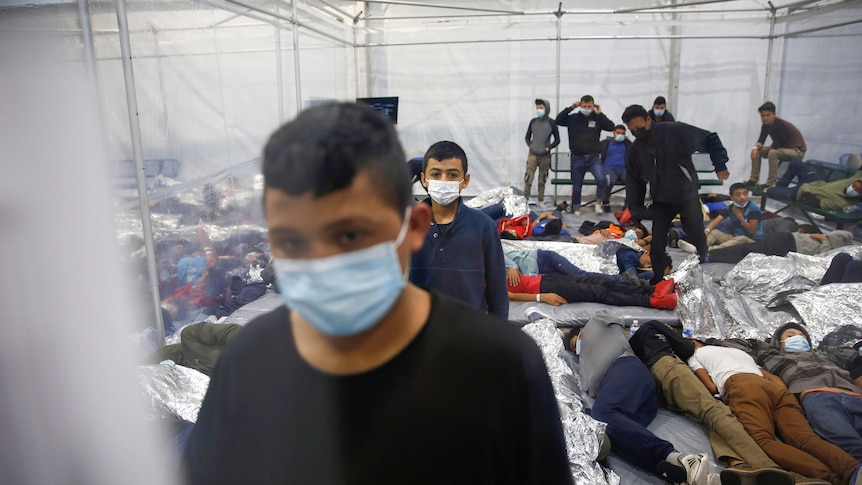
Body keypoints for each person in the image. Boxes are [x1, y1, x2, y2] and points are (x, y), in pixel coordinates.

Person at [184, 102, 573, 484]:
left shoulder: (501, 366)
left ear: (414, 228)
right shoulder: (251, 360)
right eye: (293, 240)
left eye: (350, 235)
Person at [629, 321, 800, 485]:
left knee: (711, 416)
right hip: (668, 367)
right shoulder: (654, 326)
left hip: (657, 381)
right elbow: (687, 348)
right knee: (717, 412)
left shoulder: (638, 343)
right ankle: (771, 469)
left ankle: (739, 466)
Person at [689, 339, 862, 485]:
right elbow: (774, 378)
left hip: (743, 386)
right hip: (777, 390)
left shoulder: (695, 355)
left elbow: (710, 387)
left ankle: (831, 479)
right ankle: (853, 469)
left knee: (763, 441)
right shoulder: (738, 352)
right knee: (805, 439)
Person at [566, 312, 709, 484]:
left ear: (581, 331)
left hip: (625, 368)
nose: (578, 349)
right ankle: (682, 472)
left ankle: (674, 456)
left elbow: (612, 317)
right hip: (634, 401)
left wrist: (589, 330)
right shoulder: (585, 364)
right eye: (574, 349)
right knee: (610, 434)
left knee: (602, 413)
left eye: (576, 342)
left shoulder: (599, 325)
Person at [621, 104, 731, 282]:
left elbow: (710, 138)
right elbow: (634, 182)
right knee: (657, 244)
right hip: (661, 200)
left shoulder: (674, 131)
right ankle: (657, 280)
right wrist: (637, 211)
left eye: (639, 128)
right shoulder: (636, 150)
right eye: (632, 131)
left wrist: (720, 164)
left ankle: (703, 258)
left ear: (649, 120)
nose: (637, 133)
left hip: (685, 194)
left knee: (694, 230)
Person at [410, 140, 509, 319]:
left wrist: (497, 340)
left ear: (465, 181)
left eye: (452, 175)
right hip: (418, 334)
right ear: (424, 179)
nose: (443, 181)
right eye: (436, 174)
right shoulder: (407, 225)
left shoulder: (484, 227)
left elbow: (498, 293)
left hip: (468, 334)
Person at [758, 323, 862, 461]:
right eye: (790, 335)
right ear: (779, 342)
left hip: (855, 397)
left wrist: (822, 348)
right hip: (819, 398)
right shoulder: (773, 357)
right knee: (851, 446)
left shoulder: (825, 355)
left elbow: (850, 353)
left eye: (802, 336)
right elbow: (744, 348)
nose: (798, 338)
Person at [556, 94, 615, 214]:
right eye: (584, 106)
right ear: (580, 105)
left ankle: (598, 203)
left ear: (593, 106)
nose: (587, 108)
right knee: (577, 185)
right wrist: (571, 107)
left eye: (589, 106)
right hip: (577, 157)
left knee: (601, 179)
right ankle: (576, 207)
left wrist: (600, 114)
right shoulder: (572, 118)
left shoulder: (597, 118)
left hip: (593, 157)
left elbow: (611, 127)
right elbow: (558, 120)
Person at [507, 272, 678, 309]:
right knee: (598, 292)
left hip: (545, 278)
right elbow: (510, 295)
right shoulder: (482, 282)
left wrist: (512, 267)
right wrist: (541, 297)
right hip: (544, 288)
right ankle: (651, 301)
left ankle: (650, 290)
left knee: (601, 281)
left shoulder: (486, 265)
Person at [706, 227, 855, 264]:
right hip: (788, 241)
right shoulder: (848, 238)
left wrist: (824, 240)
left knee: (748, 252)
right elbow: (837, 234)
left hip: (789, 246)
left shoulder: (840, 255)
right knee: (747, 253)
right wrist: (827, 239)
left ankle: (711, 255)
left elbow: (820, 257)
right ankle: (710, 256)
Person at [747, 101, 807, 189]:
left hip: (797, 151)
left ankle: (771, 183)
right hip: (783, 149)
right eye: (763, 116)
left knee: (772, 153)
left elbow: (777, 144)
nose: (765, 118)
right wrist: (755, 148)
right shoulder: (765, 125)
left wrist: (766, 150)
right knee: (757, 152)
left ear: (774, 114)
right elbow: (761, 140)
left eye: (768, 115)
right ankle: (753, 179)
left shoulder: (780, 125)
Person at [766, 159, 862, 211]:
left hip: (801, 193)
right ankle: (780, 186)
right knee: (795, 162)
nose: (853, 189)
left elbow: (818, 204)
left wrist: (807, 195)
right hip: (815, 182)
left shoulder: (841, 203)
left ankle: (780, 190)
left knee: (770, 191)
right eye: (854, 186)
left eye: (857, 190)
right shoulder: (855, 179)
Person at [698, 183, 763, 251]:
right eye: (738, 194)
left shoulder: (754, 209)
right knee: (715, 232)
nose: (742, 197)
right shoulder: (730, 208)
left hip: (751, 241)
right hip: (735, 237)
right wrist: (707, 230)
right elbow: (714, 223)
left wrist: (739, 215)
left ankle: (710, 251)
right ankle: (700, 248)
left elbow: (752, 231)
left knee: (741, 238)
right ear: (732, 197)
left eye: (745, 194)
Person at [523, 98, 560, 207]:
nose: (539, 110)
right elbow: (527, 137)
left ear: (546, 108)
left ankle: (540, 200)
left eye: (541, 108)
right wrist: (531, 145)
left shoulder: (551, 123)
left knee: (542, 179)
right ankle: (525, 199)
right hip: (532, 155)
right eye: (537, 108)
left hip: (545, 156)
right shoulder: (533, 122)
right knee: (528, 178)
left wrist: (549, 147)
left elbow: (557, 139)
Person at [599, 124, 631, 212]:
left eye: (622, 133)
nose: (620, 135)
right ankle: (605, 202)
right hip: (609, 169)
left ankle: (627, 204)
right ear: (614, 133)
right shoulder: (605, 143)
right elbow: (593, 149)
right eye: (618, 133)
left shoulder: (627, 143)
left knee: (631, 182)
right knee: (609, 182)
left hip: (624, 169)